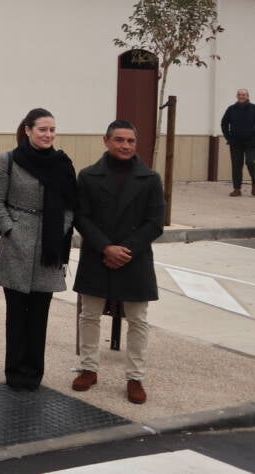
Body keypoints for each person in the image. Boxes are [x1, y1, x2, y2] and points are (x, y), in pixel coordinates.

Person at [72, 120, 164, 405]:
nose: (125, 146)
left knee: (138, 320)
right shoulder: (87, 176)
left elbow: (155, 223)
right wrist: (105, 247)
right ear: (106, 141)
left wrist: (125, 250)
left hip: (134, 258)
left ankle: (135, 377)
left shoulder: (150, 179)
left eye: (131, 141)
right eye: (119, 140)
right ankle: (89, 368)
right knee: (89, 315)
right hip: (97, 255)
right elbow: (81, 217)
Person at [0, 107, 77, 391]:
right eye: (42, 129)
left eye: (52, 130)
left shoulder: (63, 163)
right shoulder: (9, 160)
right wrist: (10, 229)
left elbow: (71, 205)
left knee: (40, 315)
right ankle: (14, 371)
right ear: (28, 130)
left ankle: (33, 372)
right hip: (16, 243)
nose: (48, 134)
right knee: (16, 315)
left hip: (49, 247)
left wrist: (57, 230)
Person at [221, 88, 255, 197]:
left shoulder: (254, 109)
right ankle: (237, 189)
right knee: (236, 165)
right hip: (235, 143)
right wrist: (229, 138)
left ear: (248, 96)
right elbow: (224, 124)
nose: (242, 96)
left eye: (244, 94)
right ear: (237, 96)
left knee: (250, 162)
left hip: (251, 143)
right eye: (240, 94)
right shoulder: (231, 109)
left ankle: (254, 182)